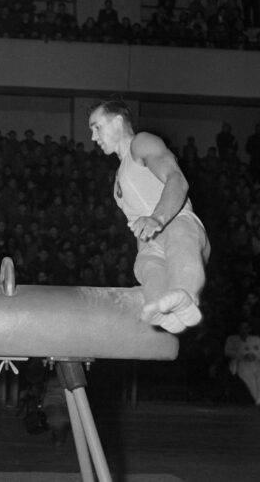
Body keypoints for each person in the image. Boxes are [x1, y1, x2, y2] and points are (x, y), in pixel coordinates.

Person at [87, 99, 210, 334]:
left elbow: (178, 181)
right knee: (144, 265)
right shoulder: (118, 182)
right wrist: (145, 250)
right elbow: (141, 229)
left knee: (177, 236)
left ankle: (186, 293)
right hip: (156, 243)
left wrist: (158, 219)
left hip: (180, 227)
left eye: (97, 127)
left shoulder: (142, 143)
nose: (93, 137)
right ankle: (164, 309)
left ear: (118, 121)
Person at [224, 320, 260, 411]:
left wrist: (255, 356)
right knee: (250, 378)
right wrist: (243, 355)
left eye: (246, 328)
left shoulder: (255, 338)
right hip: (240, 362)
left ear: (249, 329)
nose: (243, 330)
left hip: (255, 362)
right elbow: (227, 351)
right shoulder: (232, 339)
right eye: (241, 328)